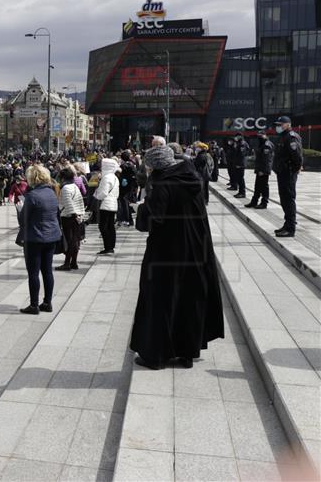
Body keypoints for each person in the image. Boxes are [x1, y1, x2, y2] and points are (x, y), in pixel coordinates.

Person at [130, 145, 224, 369]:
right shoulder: (190, 176)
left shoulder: (162, 183)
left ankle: (157, 355)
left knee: (162, 298)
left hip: (167, 250)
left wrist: (141, 209)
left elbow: (154, 218)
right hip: (195, 247)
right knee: (189, 297)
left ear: (155, 166)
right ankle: (187, 352)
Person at [17, 165, 61, 315]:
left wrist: (19, 208)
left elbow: (23, 219)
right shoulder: (52, 193)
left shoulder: (32, 196)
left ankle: (34, 305)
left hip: (34, 238)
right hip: (51, 237)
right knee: (47, 271)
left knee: (33, 273)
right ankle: (47, 303)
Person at [272, 116, 303, 238]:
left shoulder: (291, 137)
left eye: (281, 124)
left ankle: (291, 228)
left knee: (289, 199)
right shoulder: (283, 137)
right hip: (282, 172)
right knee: (284, 199)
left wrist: (294, 170)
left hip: (288, 173)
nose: (278, 126)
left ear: (288, 124)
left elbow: (297, 156)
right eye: (278, 124)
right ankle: (287, 224)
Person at [56, 167, 85, 271]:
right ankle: (74, 262)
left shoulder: (65, 188)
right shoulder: (74, 186)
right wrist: (81, 213)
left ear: (63, 178)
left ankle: (67, 263)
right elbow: (80, 201)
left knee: (69, 241)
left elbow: (68, 203)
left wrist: (73, 214)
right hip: (77, 216)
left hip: (69, 217)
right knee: (75, 240)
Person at [94, 158, 119, 254]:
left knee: (103, 226)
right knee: (110, 226)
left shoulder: (107, 177)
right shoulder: (114, 177)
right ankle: (111, 246)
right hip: (113, 203)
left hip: (106, 204)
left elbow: (103, 193)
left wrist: (97, 195)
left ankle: (107, 247)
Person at [244, 132, 274, 209]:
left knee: (264, 187)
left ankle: (264, 203)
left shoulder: (267, 145)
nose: (259, 137)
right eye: (258, 136)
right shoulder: (262, 144)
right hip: (260, 169)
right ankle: (254, 201)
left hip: (263, 169)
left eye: (261, 136)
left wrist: (263, 170)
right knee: (257, 186)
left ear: (265, 135)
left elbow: (266, 159)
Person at [229, 133, 250, 199]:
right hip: (237, 163)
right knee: (239, 179)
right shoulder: (238, 143)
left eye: (237, 136)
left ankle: (242, 193)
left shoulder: (242, 144)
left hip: (240, 164)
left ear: (240, 136)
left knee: (241, 179)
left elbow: (241, 155)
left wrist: (239, 164)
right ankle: (240, 192)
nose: (236, 137)